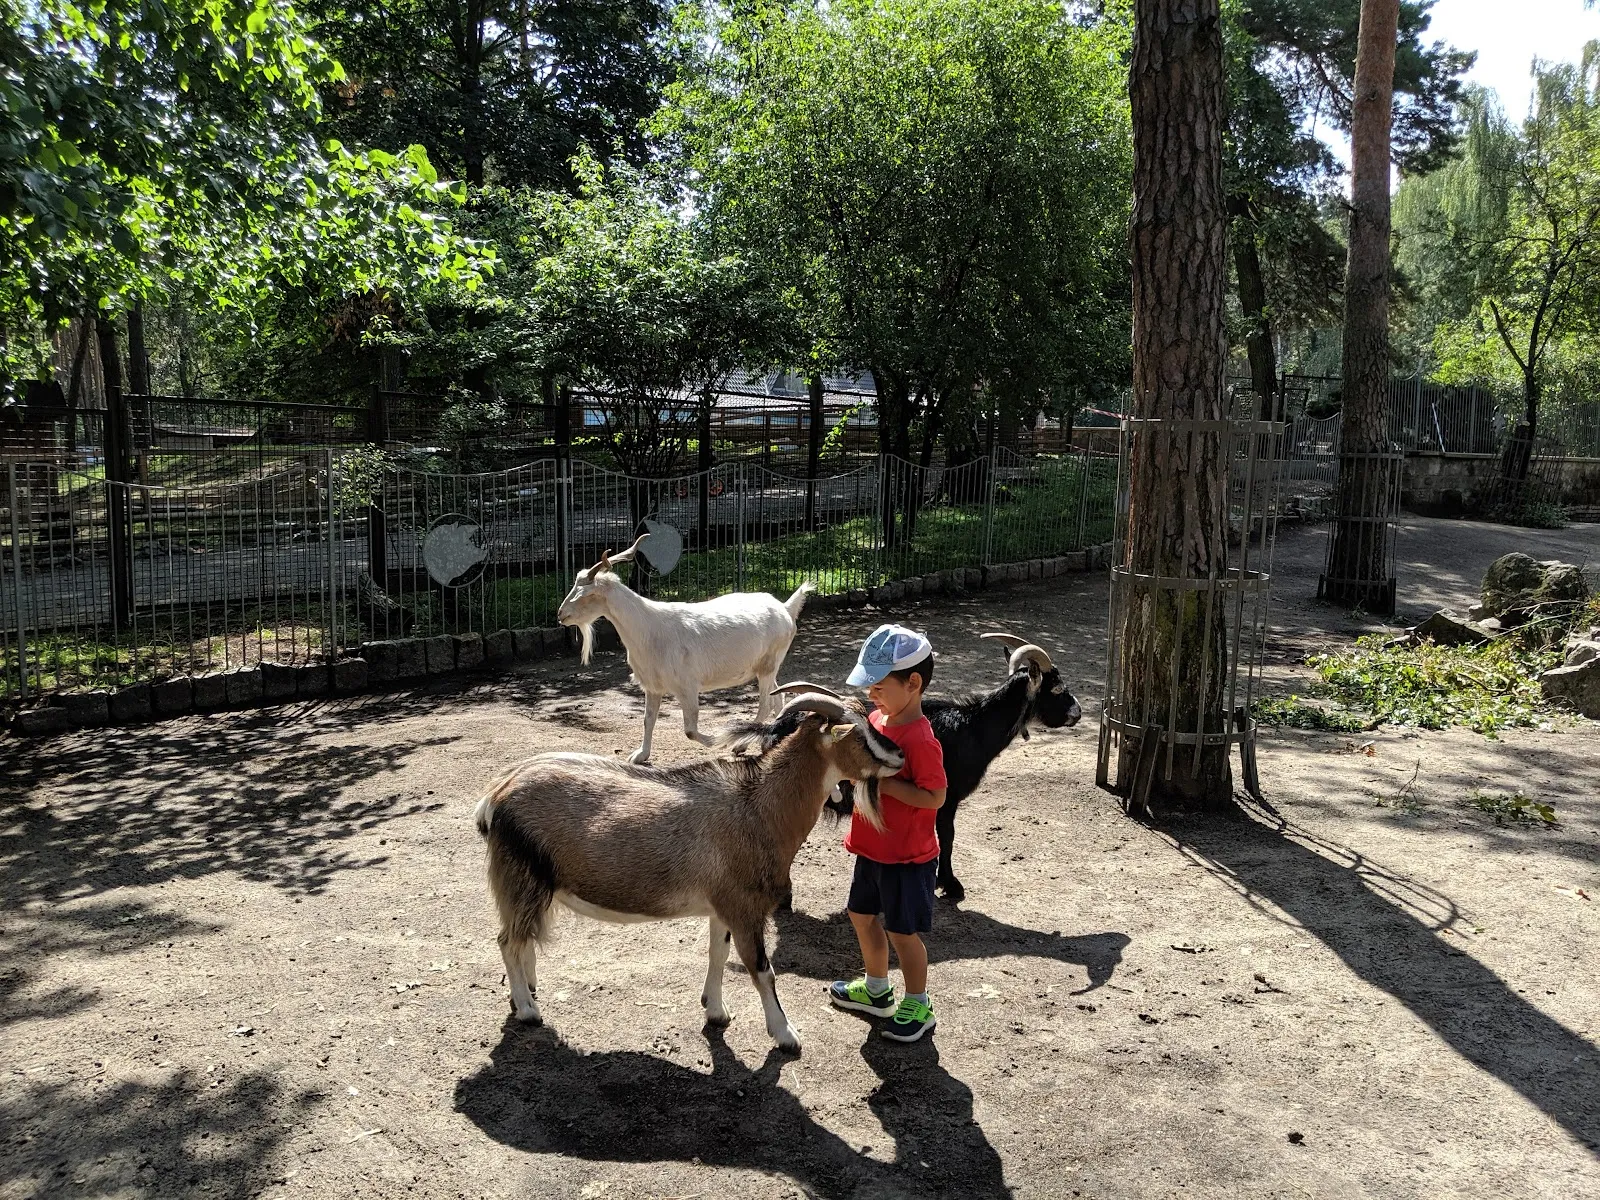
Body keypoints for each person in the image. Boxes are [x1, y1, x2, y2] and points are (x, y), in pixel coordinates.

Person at [828, 623, 947, 1042]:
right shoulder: (877, 719)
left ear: (913, 683)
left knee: (902, 931)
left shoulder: (920, 739)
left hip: (907, 857)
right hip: (872, 849)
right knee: (860, 915)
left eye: (878, 686)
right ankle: (877, 990)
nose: (871, 694)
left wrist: (885, 783)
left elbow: (934, 796)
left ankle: (919, 1000)